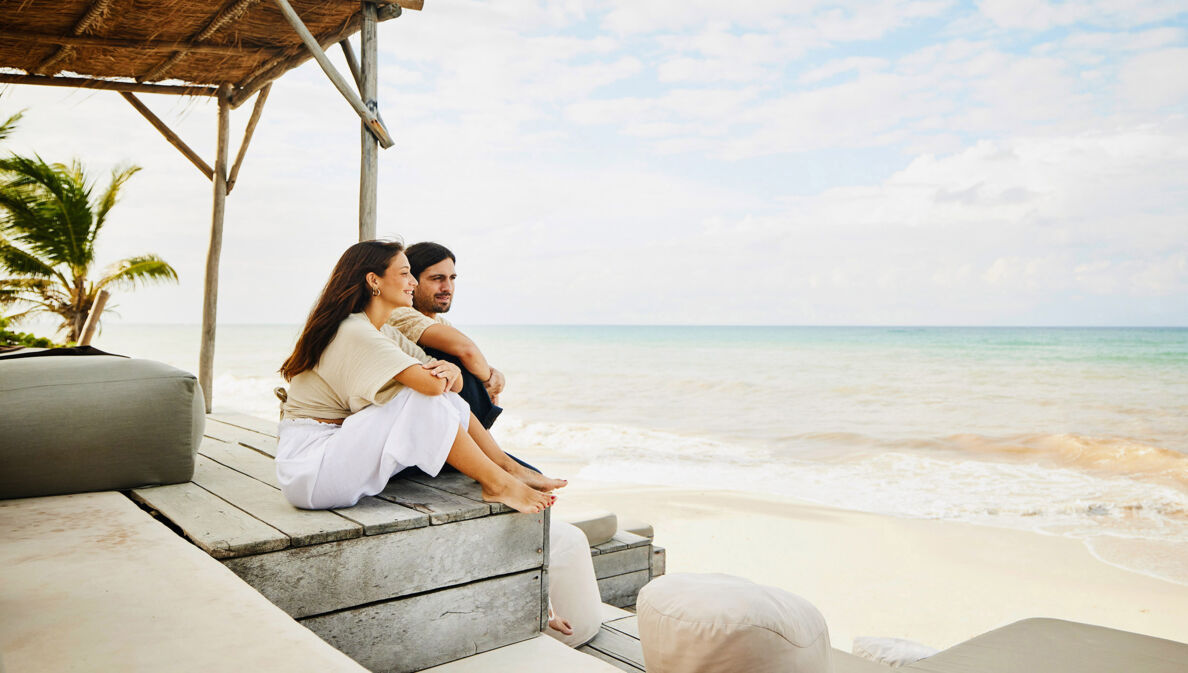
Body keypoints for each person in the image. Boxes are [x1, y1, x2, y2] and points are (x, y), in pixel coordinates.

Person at [275, 240, 565, 512]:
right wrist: (448, 372)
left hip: (336, 457)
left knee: (445, 398)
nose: (413, 282)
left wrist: (452, 370)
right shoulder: (354, 330)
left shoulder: (383, 331)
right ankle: (498, 483)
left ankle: (504, 467)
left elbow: (454, 386)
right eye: (405, 274)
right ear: (374, 281)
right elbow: (430, 386)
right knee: (421, 396)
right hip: (311, 469)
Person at [387, 242, 506, 428]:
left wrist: (494, 377)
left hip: (446, 417)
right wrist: (489, 382)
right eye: (437, 278)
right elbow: (467, 350)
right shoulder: (398, 313)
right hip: (409, 417)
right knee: (452, 357)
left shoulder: (438, 322)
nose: (447, 287)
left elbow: (472, 357)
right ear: (412, 281)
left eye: (452, 278)